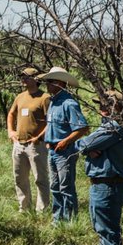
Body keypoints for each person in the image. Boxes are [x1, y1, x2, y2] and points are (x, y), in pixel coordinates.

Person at [76, 90, 123, 245]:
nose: (102, 108)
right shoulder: (110, 126)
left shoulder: (114, 127)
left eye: (106, 104)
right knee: (103, 228)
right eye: (101, 104)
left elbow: (83, 144)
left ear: (117, 106)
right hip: (104, 184)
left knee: (107, 230)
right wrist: (88, 147)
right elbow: (84, 144)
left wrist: (88, 147)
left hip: (108, 184)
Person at [38, 67, 89, 222]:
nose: (47, 84)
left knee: (66, 186)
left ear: (60, 83)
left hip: (65, 151)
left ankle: (70, 220)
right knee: (54, 186)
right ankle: (57, 219)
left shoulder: (69, 103)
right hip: (53, 150)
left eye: (50, 81)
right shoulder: (53, 102)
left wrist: (65, 141)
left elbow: (82, 128)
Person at [7, 66, 51, 214]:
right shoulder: (20, 97)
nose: (23, 79)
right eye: (22, 76)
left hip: (36, 145)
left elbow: (50, 121)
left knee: (40, 178)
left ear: (36, 79)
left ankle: (42, 210)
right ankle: (24, 208)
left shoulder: (44, 98)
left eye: (26, 76)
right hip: (19, 144)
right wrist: (11, 131)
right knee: (20, 178)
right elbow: (11, 114)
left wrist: (39, 137)